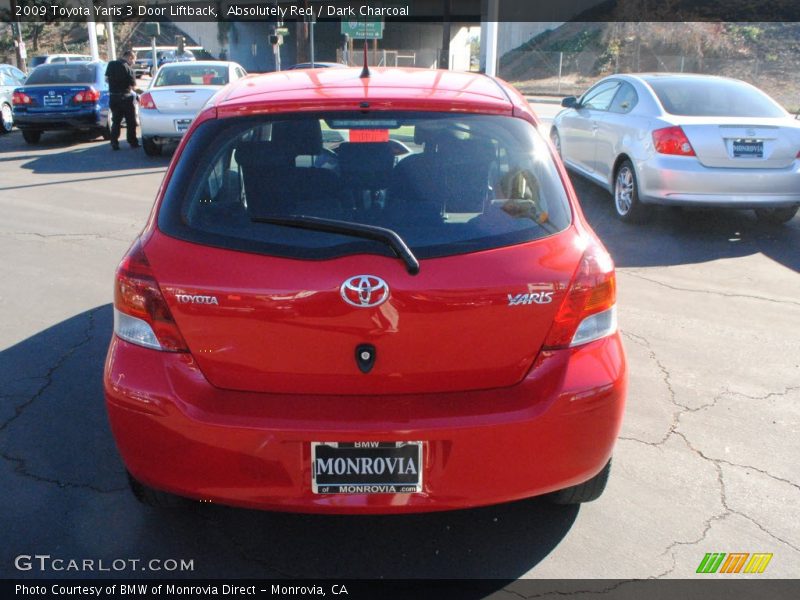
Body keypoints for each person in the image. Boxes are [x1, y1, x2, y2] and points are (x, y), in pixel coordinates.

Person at [105, 50, 139, 150]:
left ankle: (114, 142)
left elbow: (106, 79)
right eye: (134, 60)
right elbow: (134, 87)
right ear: (130, 58)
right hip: (126, 97)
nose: (134, 63)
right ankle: (132, 141)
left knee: (116, 121)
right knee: (130, 121)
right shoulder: (129, 69)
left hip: (113, 97)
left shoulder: (111, 64)